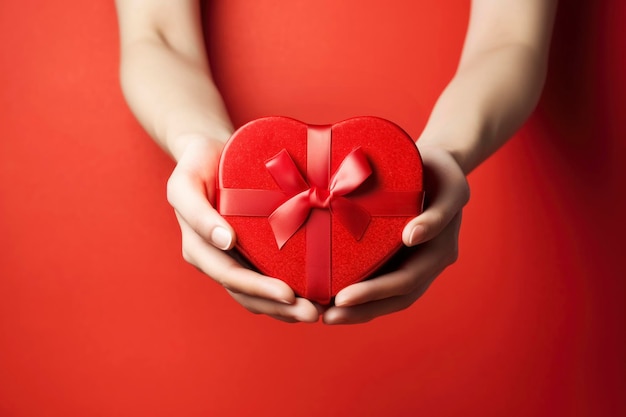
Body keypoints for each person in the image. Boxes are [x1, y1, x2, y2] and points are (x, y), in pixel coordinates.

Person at [114, 0, 557, 324]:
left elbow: (511, 37)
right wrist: (199, 144)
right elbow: (155, 33)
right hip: (198, 311)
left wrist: (446, 156)